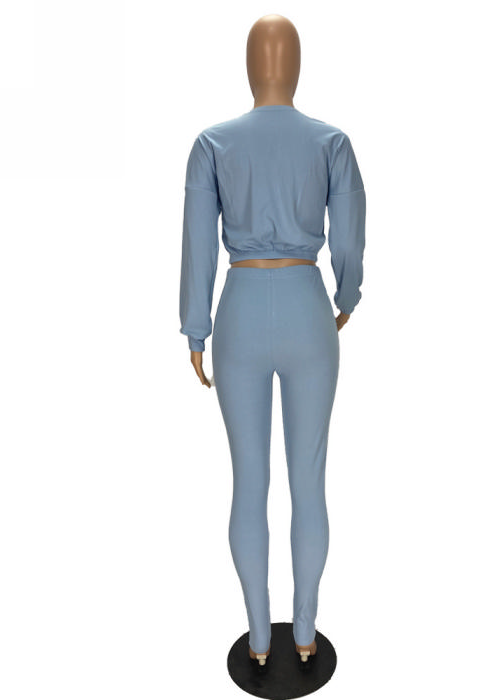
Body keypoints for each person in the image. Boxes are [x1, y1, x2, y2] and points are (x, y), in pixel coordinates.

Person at [179, 15, 366, 667]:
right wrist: (346, 299)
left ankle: (260, 640)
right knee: (309, 480)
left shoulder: (212, 144)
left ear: (250, 65)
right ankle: (305, 635)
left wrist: (195, 328)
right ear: (295, 65)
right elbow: (349, 239)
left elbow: (198, 245)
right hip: (308, 307)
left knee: (248, 481)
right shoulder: (331, 143)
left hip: (239, 311)